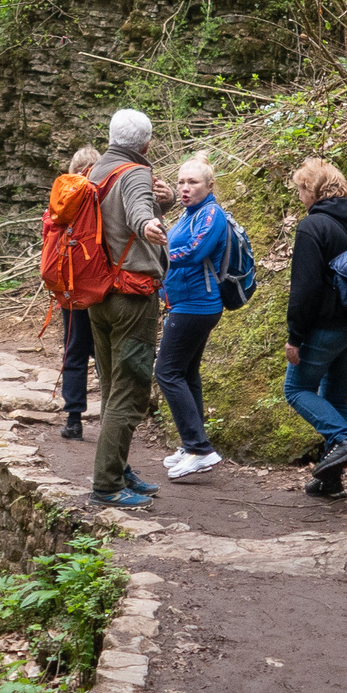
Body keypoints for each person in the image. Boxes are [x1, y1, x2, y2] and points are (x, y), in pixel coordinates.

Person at [86, 109, 173, 509]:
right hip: (132, 297)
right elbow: (137, 213)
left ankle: (118, 469)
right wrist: (150, 224)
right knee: (130, 389)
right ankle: (106, 484)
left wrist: (160, 209)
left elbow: (122, 218)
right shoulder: (135, 173)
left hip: (98, 295)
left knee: (110, 387)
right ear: (146, 143)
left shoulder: (96, 172)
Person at [283, 156, 347, 499]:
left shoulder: (313, 226)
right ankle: (330, 480)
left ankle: (342, 441)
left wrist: (295, 337)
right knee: (333, 394)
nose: (299, 196)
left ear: (311, 189)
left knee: (296, 389)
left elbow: (304, 288)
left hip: (325, 328)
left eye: (299, 189)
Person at [157, 156, 229, 480]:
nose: (185, 188)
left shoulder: (211, 214)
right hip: (185, 304)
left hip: (196, 306)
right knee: (186, 374)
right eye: (182, 182)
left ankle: (200, 448)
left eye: (193, 183)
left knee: (166, 372)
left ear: (209, 186)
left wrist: (158, 256)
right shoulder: (189, 215)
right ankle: (192, 446)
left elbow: (196, 252)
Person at [56, 144, 100, 439]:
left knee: (74, 350)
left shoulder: (61, 199)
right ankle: (113, 415)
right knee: (104, 351)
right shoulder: (101, 196)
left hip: (70, 289)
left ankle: (73, 420)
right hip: (99, 287)